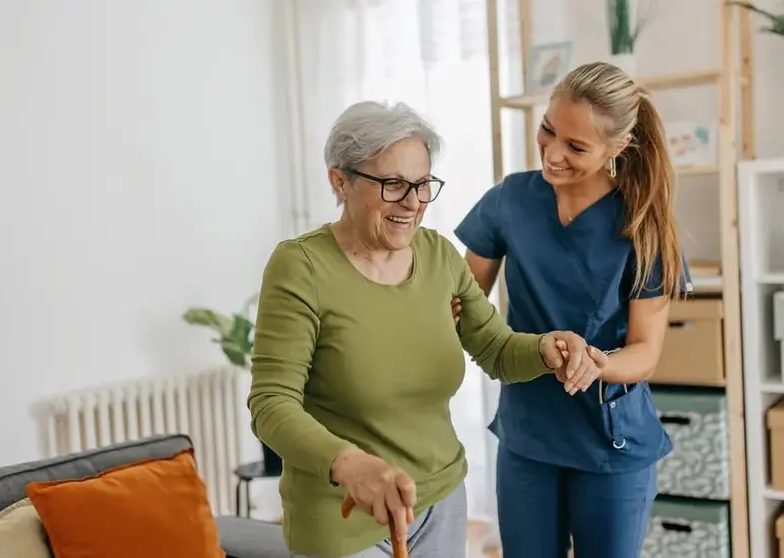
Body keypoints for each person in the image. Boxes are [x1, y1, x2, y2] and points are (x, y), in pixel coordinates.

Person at [247, 100, 600, 558]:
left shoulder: (437, 254)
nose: (413, 203)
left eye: (421, 184)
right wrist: (350, 465)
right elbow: (271, 404)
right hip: (345, 513)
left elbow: (494, 348)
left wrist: (547, 348)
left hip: (441, 501)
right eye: (393, 185)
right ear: (341, 180)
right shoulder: (301, 267)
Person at [453, 62, 690, 558]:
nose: (553, 153)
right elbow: (461, 303)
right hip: (527, 435)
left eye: (576, 147)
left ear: (617, 148)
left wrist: (600, 363)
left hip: (609, 441)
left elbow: (645, 351)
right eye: (548, 131)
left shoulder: (642, 225)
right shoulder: (510, 201)